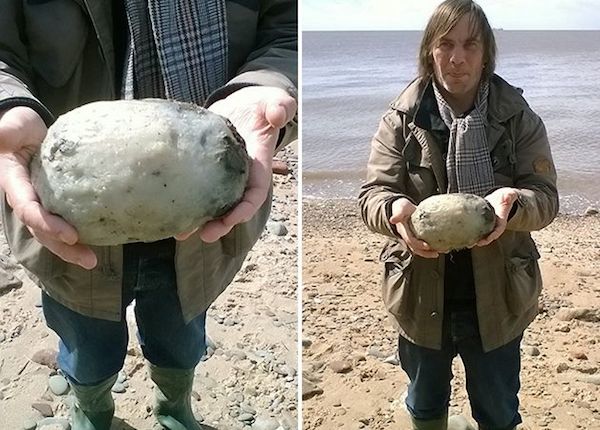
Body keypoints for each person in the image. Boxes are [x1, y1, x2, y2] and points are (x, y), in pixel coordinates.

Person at [0, 1, 297, 429]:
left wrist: (265, 85)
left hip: (200, 226)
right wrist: (6, 103)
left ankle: (173, 408)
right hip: (64, 222)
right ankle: (92, 409)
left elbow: (287, 25)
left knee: (180, 332)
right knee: (86, 340)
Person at [358, 1, 558, 429]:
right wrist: (396, 212)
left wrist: (513, 205)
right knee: (425, 404)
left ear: (487, 52)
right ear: (429, 50)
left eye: (470, 44)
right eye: (445, 44)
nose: (457, 58)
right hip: (420, 291)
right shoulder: (401, 119)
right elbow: (372, 195)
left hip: (499, 292)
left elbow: (546, 197)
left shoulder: (518, 118)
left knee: (498, 411)